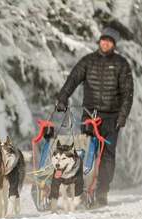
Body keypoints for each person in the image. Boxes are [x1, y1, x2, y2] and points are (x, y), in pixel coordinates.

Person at [55, 27, 134, 207]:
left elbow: (128, 92)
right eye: (103, 39)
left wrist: (123, 115)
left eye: (110, 41)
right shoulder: (88, 61)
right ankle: (82, 190)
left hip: (112, 118)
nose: (105, 42)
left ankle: (102, 192)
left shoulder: (121, 63)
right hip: (89, 116)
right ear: (100, 41)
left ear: (114, 44)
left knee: (107, 156)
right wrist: (62, 98)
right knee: (85, 154)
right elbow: (72, 80)